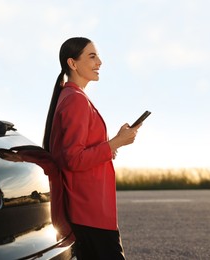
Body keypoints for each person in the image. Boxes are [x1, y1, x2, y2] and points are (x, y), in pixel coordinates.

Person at [43, 37, 142, 260]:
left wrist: (111, 146)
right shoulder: (75, 100)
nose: (100, 61)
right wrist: (117, 141)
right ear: (73, 63)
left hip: (88, 209)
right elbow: (73, 159)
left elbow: (78, 152)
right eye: (92, 56)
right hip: (90, 209)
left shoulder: (71, 97)